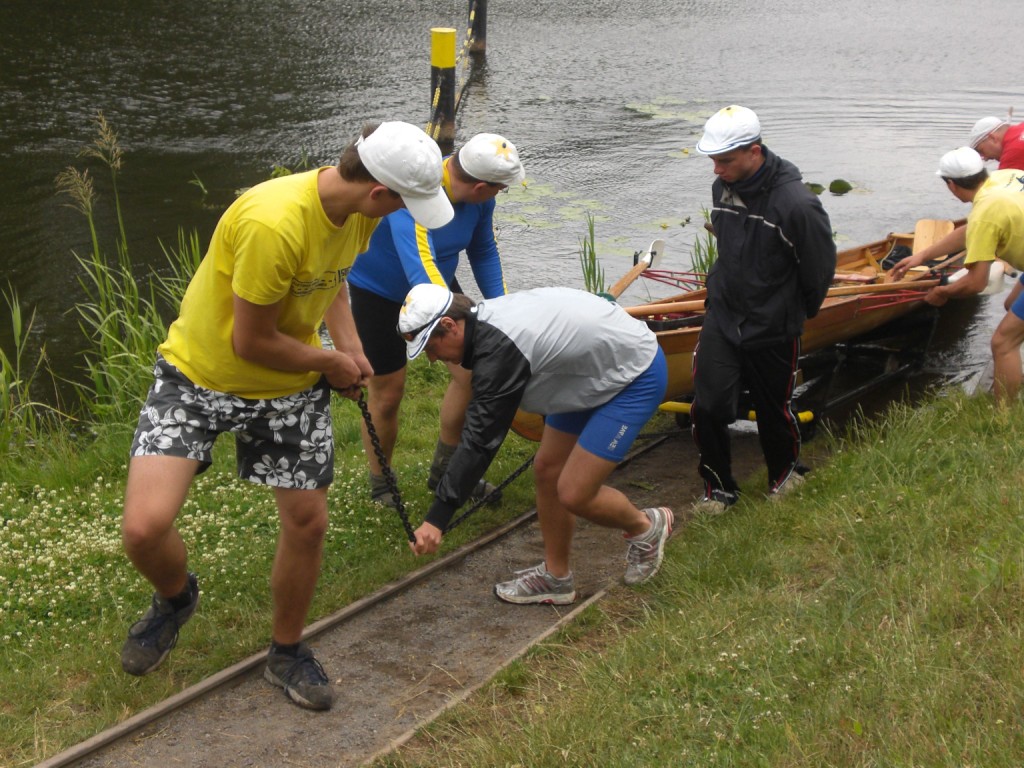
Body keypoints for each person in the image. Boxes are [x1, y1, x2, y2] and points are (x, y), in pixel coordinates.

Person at [118, 121, 453, 711]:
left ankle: (286, 651)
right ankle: (175, 598)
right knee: (144, 530)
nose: (404, 213)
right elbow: (250, 342)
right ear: (378, 190)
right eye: (404, 202)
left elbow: (334, 284)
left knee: (307, 522)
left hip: (287, 390)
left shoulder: (357, 213)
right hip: (197, 377)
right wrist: (330, 362)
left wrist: (351, 349)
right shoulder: (274, 223)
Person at [398, 284, 673, 605]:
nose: (432, 359)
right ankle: (557, 579)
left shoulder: (499, 350)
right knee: (547, 470)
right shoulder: (483, 327)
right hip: (580, 375)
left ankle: (646, 528)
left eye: (430, 347)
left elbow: (480, 440)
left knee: (574, 492)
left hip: (633, 374)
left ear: (449, 325)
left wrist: (436, 519)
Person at [347, 133, 525, 508]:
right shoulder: (419, 189)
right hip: (381, 293)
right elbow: (419, 265)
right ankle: (381, 484)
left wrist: (504, 311)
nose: (499, 194)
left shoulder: (481, 201)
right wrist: (455, 317)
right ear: (480, 186)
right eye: (500, 189)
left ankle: (446, 471)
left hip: (438, 285)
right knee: (388, 393)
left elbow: (483, 250)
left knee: (471, 373)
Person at [689, 105, 837, 515]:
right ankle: (718, 490)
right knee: (707, 405)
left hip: (773, 323)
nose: (716, 169)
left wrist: (794, 312)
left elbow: (819, 269)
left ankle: (785, 475)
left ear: (754, 152)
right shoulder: (724, 187)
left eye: (725, 160)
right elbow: (728, 245)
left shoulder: (797, 205)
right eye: (713, 160)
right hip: (724, 315)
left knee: (774, 409)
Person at [902, 147, 1024, 404]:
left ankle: (1002, 418)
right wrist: (922, 256)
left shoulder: (985, 213)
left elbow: (976, 283)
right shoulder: (1005, 176)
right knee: (1011, 305)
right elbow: (971, 230)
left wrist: (942, 292)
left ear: (951, 184)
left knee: (1003, 342)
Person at [888, 113, 1024, 270]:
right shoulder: (1019, 135)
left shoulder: (1012, 156)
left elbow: (977, 280)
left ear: (992, 137)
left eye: (981, 150)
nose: (985, 158)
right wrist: (923, 255)